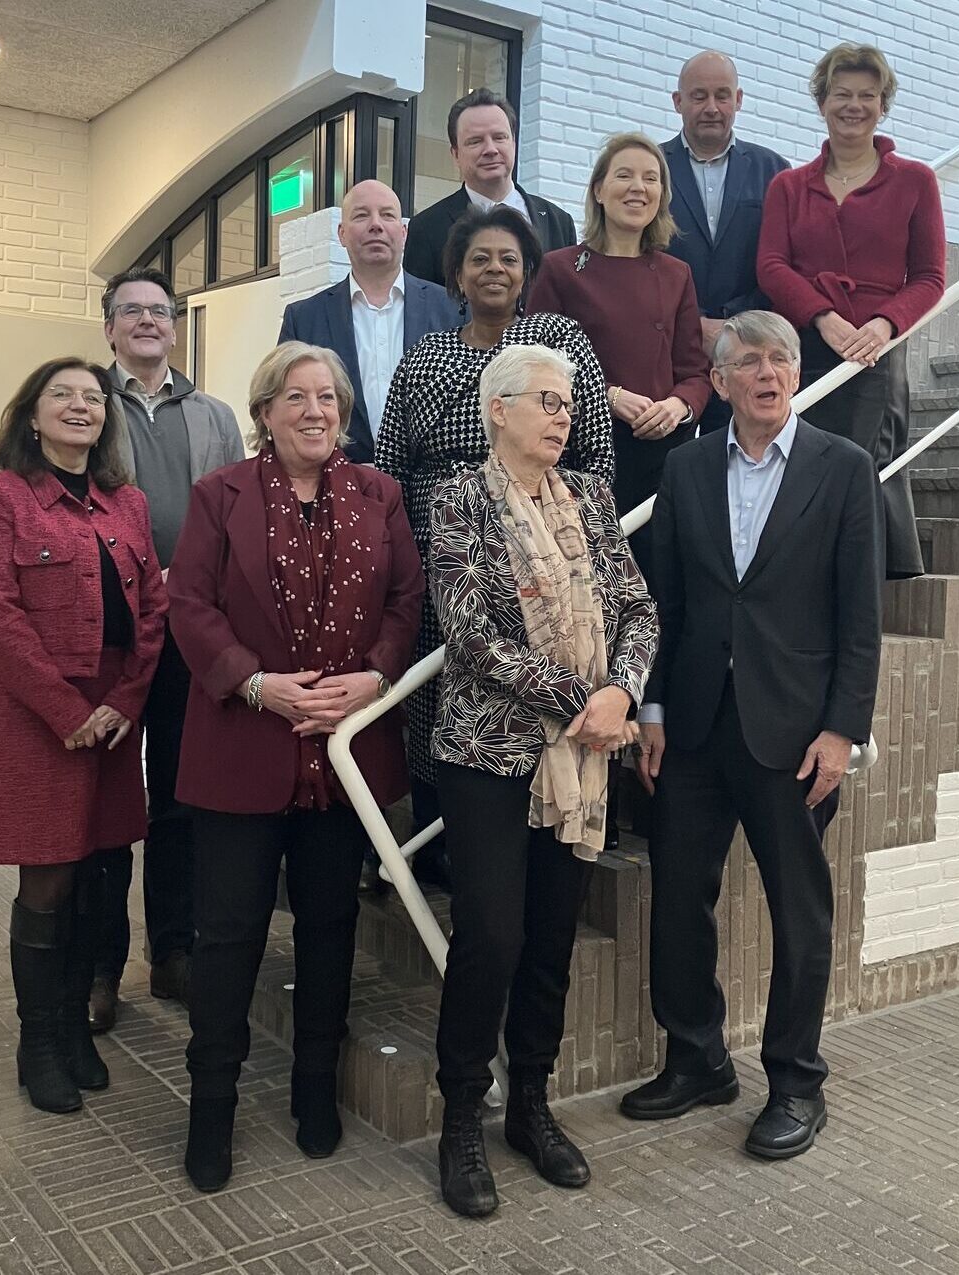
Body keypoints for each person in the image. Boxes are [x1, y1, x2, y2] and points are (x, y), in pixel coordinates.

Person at [621, 312, 883, 1160]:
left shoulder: (844, 468)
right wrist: (652, 710)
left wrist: (842, 730)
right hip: (695, 726)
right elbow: (664, 601)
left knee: (798, 911)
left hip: (795, 731)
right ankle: (696, 1058)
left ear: (796, 374)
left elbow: (860, 617)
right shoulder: (688, 466)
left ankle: (797, 1082)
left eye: (780, 360)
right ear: (721, 379)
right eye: (750, 361)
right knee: (678, 899)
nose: (767, 374)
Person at [166, 342, 424, 1192]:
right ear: (265, 413)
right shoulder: (219, 495)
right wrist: (256, 684)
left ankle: (316, 1088)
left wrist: (375, 677)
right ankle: (212, 1106)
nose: (316, 411)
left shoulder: (380, 494)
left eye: (329, 398)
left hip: (344, 754)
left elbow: (406, 600)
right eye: (297, 397)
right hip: (243, 745)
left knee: (328, 925)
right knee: (228, 934)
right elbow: (189, 603)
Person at [427, 344, 657, 1217]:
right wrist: (583, 701)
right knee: (491, 935)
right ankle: (460, 1119)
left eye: (568, 403)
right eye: (547, 401)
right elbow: (470, 634)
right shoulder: (459, 497)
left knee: (552, 935)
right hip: (490, 756)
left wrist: (621, 689)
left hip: (584, 756)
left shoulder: (591, 496)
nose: (564, 416)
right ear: (499, 409)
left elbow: (638, 607)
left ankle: (531, 1102)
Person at [376, 204, 613, 874]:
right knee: (442, 695)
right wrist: (408, 559)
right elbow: (391, 464)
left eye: (509, 258)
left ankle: (545, 840)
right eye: (479, 258)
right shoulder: (426, 357)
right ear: (456, 274)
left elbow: (595, 452)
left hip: (547, 556)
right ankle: (442, 848)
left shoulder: (558, 344)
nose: (494, 269)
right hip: (447, 557)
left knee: (535, 690)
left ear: (527, 272)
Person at [0, 358, 167, 1115]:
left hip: (111, 715)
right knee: (48, 880)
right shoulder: (0, 497)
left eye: (93, 397)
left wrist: (123, 702)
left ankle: (77, 1028)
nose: (81, 406)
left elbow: (154, 610)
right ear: (33, 413)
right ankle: (39, 1043)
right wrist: (66, 710)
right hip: (36, 715)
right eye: (62, 395)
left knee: (102, 872)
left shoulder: (128, 502)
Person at [88, 267, 246, 1035]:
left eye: (160, 310)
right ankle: (99, 967)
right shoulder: (89, 403)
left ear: (176, 327)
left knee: (181, 795)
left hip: (190, 628)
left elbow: (238, 513)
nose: (148, 321)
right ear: (109, 327)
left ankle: (174, 950)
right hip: (113, 630)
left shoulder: (214, 414)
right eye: (132, 311)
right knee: (107, 799)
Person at [757, 42, 944, 579]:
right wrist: (822, 317)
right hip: (805, 345)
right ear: (822, 102)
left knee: (865, 470)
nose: (854, 106)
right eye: (842, 94)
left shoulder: (915, 180)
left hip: (874, 352)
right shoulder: (788, 186)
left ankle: (862, 597)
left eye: (867, 95)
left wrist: (883, 325)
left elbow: (930, 277)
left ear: (883, 105)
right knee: (798, 469)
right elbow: (771, 265)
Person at [527, 132, 713, 516]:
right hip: (582, 455)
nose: (638, 188)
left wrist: (678, 406)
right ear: (599, 190)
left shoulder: (677, 274)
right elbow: (536, 368)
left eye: (650, 178)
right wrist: (610, 396)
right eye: (624, 175)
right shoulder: (559, 269)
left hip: (662, 458)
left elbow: (695, 372)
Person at [277, 180, 460, 463]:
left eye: (387, 215)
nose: (376, 225)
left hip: (430, 483)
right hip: (335, 481)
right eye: (362, 215)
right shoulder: (303, 319)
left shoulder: (452, 310)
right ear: (342, 234)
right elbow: (285, 408)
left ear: (404, 233)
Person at [662, 51, 790, 434]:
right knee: (672, 464)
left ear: (739, 99)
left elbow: (783, 262)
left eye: (722, 95)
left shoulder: (775, 172)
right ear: (678, 101)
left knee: (741, 460)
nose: (711, 108)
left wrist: (734, 324)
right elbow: (639, 260)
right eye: (698, 96)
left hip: (748, 356)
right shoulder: (652, 169)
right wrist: (694, 323)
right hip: (670, 356)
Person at [404, 87, 576, 287]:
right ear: (455, 154)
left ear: (514, 143)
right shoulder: (426, 229)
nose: (490, 149)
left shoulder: (559, 223)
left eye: (499, 137)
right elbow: (421, 303)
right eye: (475, 141)